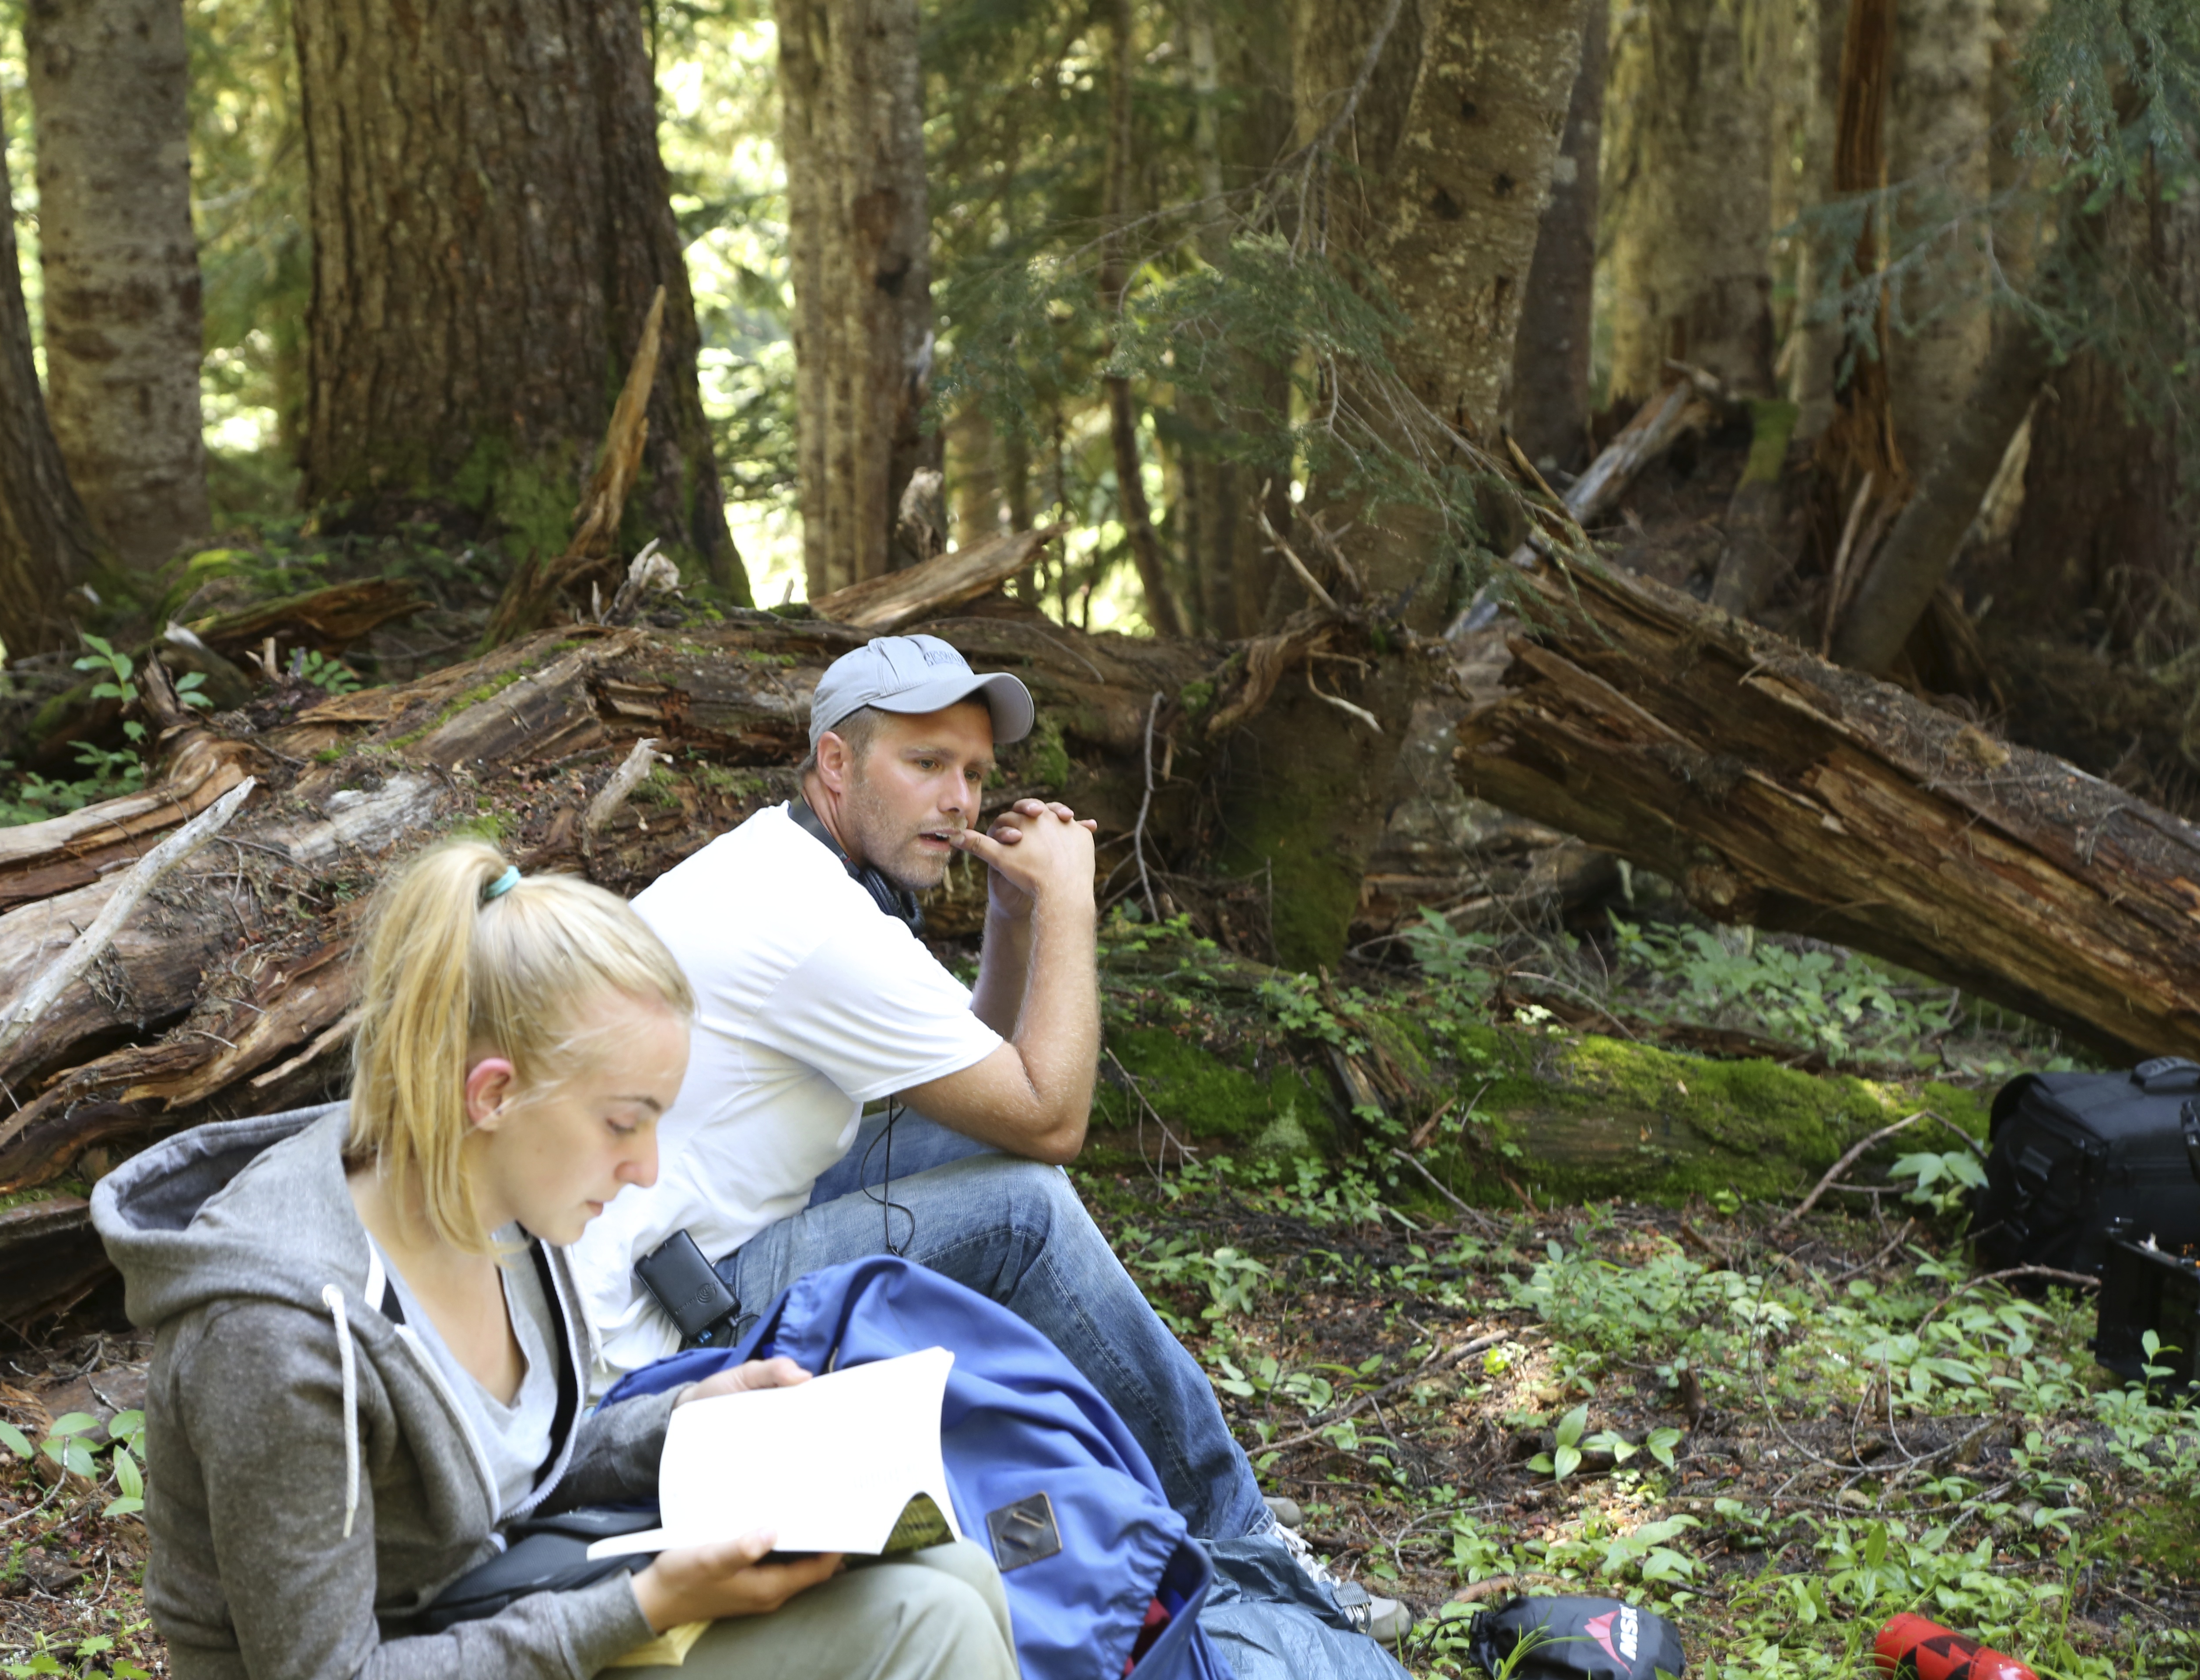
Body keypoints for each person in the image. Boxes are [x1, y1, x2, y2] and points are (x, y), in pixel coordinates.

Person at [569, 633, 1381, 1627]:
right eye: (925, 764)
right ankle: (1242, 1537)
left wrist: (1011, 917)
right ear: (836, 762)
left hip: (684, 1248)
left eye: (974, 774)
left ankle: (1143, 1477)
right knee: (1023, 1211)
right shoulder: (817, 923)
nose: (959, 801)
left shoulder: (781, 865)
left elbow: (983, 1083)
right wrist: (1073, 899)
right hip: (654, 1344)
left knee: (979, 1155)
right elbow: (1050, 1119)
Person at [91, 841, 1018, 1680]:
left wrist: (682, 1423)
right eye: (624, 1122)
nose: (647, 1168)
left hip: (501, 1602)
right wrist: (646, 1607)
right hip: (446, 1646)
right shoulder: (280, 1336)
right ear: (493, 1095)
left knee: (954, 1569)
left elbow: (503, 1469)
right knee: (927, 1624)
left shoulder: (498, 1203)